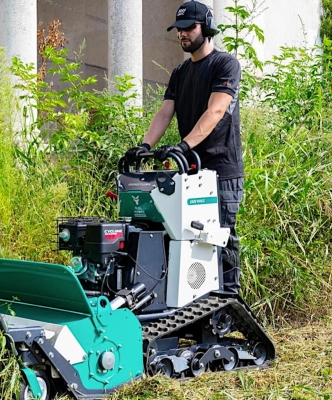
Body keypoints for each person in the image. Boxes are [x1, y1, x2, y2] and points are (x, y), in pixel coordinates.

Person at [125, 0, 244, 293]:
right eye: (179, 29)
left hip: (221, 171)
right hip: (190, 172)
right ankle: (193, 308)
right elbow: (165, 112)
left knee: (220, 238)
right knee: (185, 240)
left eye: (189, 28)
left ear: (206, 27)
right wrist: (144, 145)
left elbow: (215, 112)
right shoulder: (180, 72)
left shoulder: (225, 64)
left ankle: (228, 306)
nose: (183, 34)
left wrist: (183, 145)